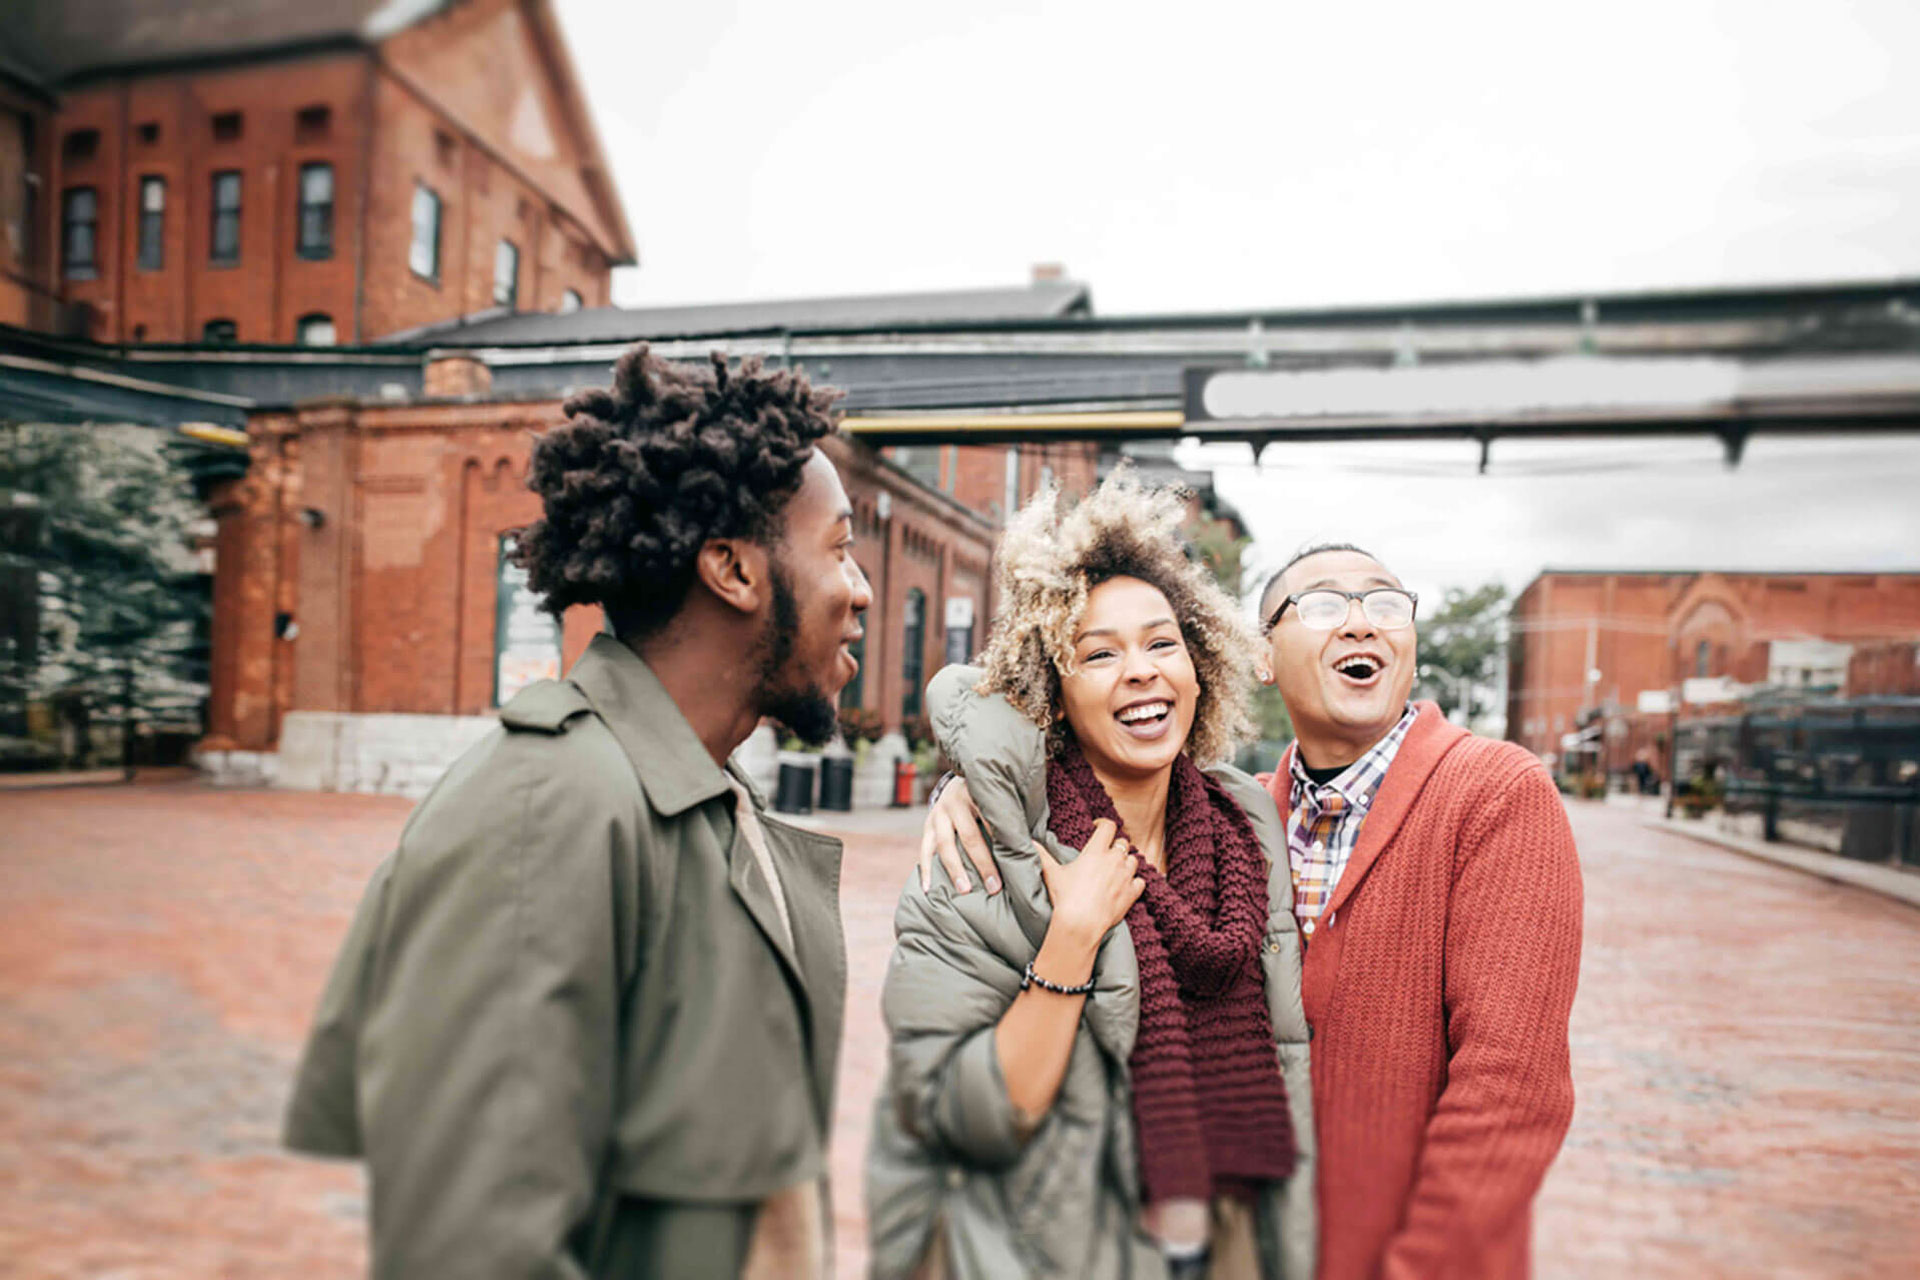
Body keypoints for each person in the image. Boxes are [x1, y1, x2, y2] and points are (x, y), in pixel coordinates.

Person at [282, 345, 871, 1279]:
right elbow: (469, 1254)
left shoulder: (709, 801)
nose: (861, 589)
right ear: (732, 568)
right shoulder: (546, 809)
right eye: (838, 549)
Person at [923, 540, 1583, 1280]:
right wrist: (977, 788)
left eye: (1386, 603)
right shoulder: (1241, 822)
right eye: (1323, 604)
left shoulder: (1496, 793)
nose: (1361, 622)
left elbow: (1512, 1088)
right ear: (1259, 657)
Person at [869, 472, 1316, 1280]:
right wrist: (1071, 941)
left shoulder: (1248, 826)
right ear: (1053, 688)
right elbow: (961, 1118)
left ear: (1200, 664)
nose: (1141, 671)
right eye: (1099, 653)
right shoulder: (982, 853)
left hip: (1229, 1244)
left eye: (1162, 644)